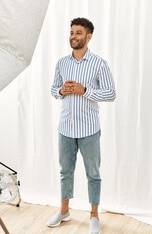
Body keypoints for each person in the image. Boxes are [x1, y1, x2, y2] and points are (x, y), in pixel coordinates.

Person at [47, 17, 116, 234]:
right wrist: (61, 91)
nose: (73, 36)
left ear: (89, 36)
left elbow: (111, 93)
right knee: (65, 171)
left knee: (93, 173)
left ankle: (94, 216)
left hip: (89, 130)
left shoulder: (99, 63)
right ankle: (64, 211)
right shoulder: (62, 63)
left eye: (78, 33)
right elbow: (53, 90)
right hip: (65, 128)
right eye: (71, 32)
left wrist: (84, 90)